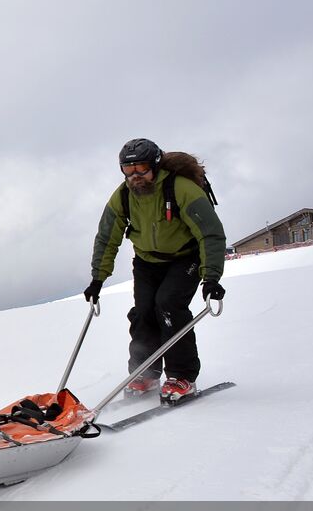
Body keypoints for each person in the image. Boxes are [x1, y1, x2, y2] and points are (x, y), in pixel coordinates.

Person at [84, 138, 227, 402]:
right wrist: (97, 279)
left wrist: (211, 277)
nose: (135, 175)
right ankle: (145, 372)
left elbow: (211, 234)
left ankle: (182, 376)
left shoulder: (181, 188)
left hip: (185, 258)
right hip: (147, 261)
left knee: (169, 305)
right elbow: (107, 237)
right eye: (128, 170)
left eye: (141, 168)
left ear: (156, 166)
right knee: (144, 312)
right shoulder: (124, 195)